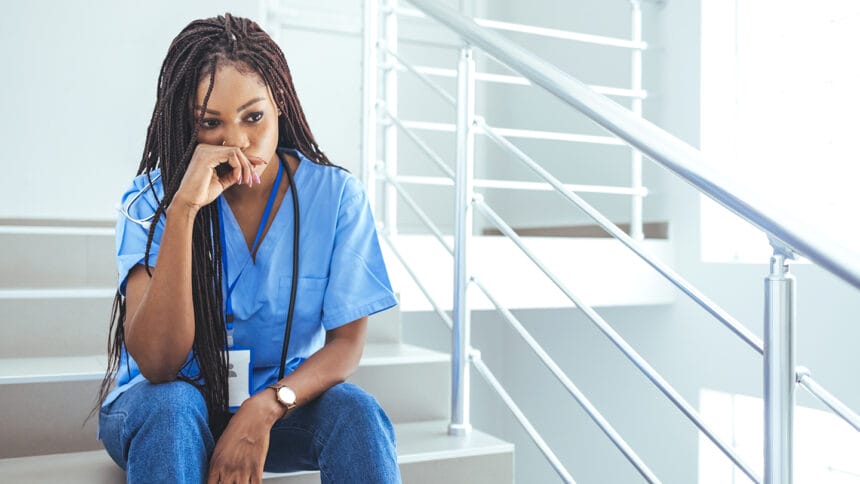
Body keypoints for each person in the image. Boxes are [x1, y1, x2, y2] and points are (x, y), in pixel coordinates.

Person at [94, 13, 401, 483]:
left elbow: (345, 345)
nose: (235, 141)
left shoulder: (337, 197)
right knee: (173, 406)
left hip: (278, 405)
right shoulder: (149, 201)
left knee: (356, 411)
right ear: (186, 123)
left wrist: (267, 405)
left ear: (280, 105)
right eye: (209, 123)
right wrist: (183, 212)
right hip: (164, 410)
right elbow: (157, 364)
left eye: (253, 117)